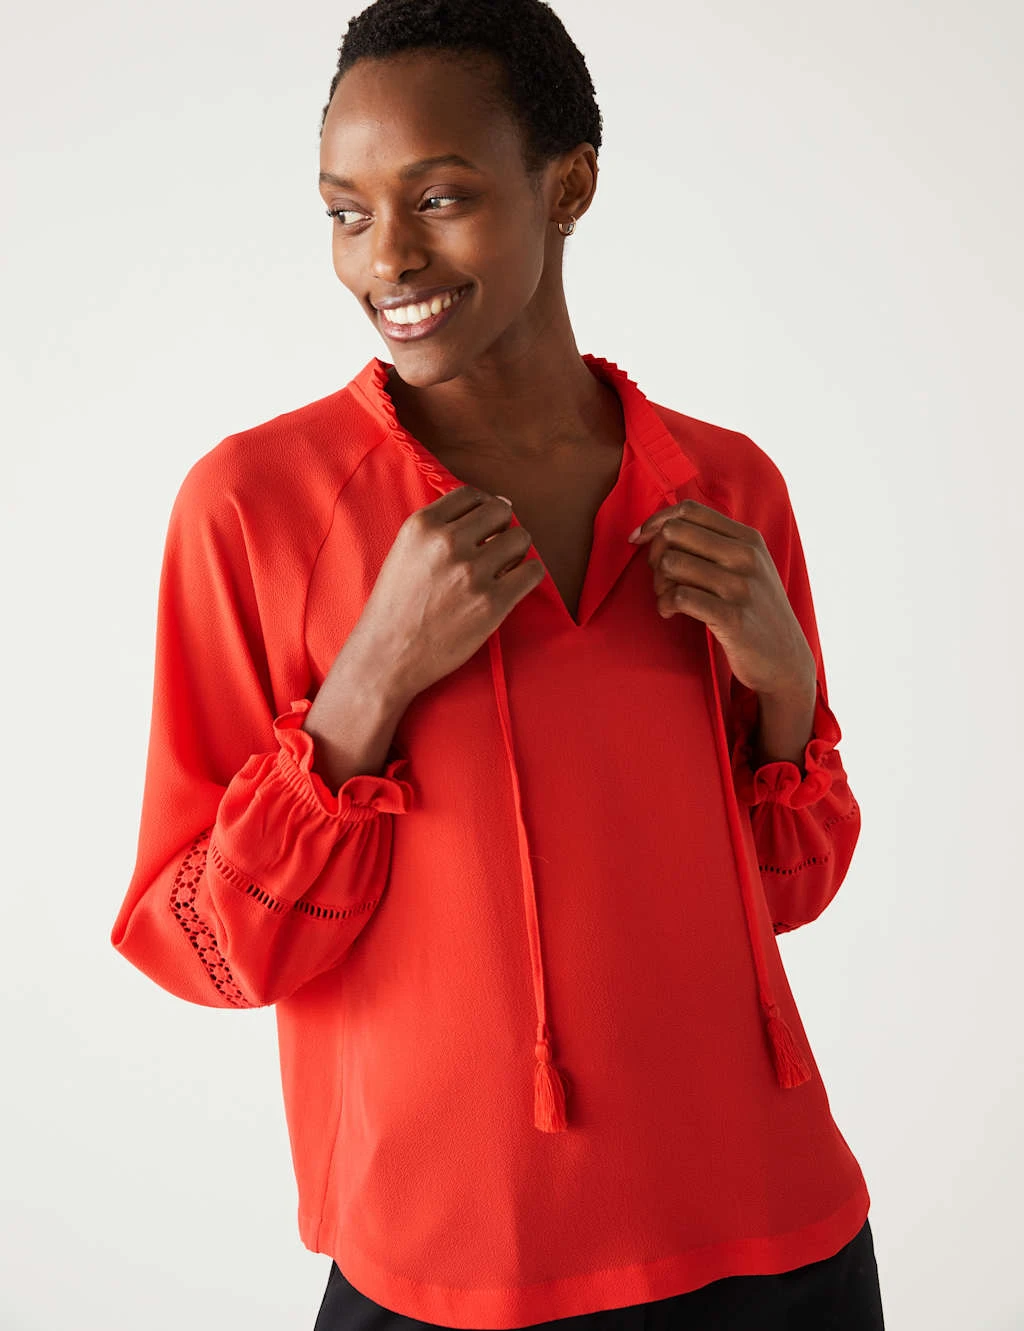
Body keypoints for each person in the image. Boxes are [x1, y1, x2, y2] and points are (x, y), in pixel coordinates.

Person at [110, 1, 886, 1327]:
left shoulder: (726, 487)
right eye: (346, 212)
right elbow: (204, 951)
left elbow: (785, 894)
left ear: (568, 185)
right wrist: (365, 690)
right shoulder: (253, 506)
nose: (387, 256)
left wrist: (787, 693)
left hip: (781, 1243)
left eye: (441, 197)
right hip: (452, 1269)